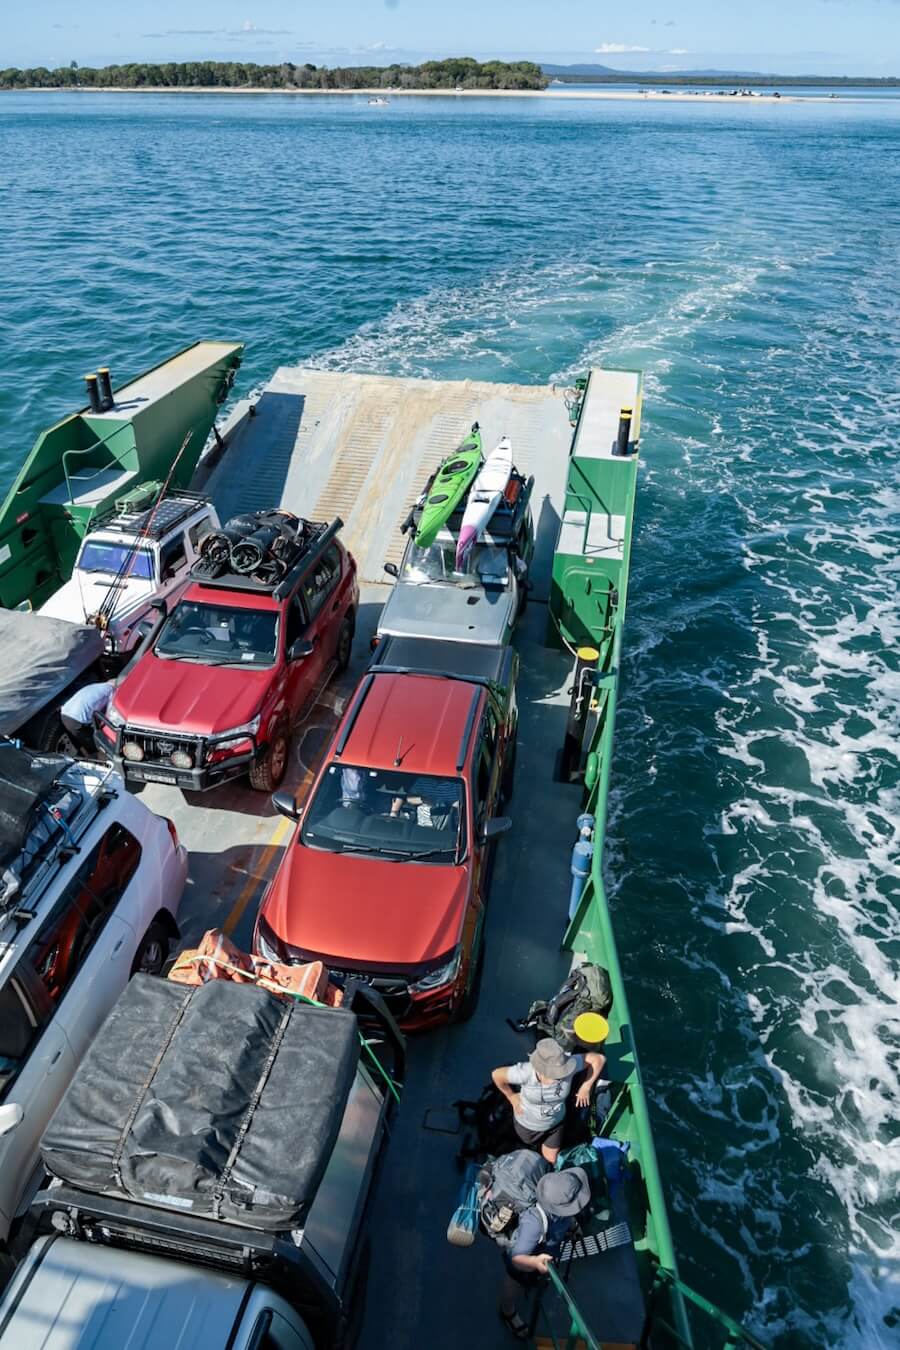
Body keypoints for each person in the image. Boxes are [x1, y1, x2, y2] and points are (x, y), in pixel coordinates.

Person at [498, 1166, 590, 1340]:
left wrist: (572, 1226)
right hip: (525, 1259)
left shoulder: (557, 1206)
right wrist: (535, 1262)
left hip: (543, 1251)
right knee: (515, 1283)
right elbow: (516, 1259)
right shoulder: (534, 1223)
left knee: (530, 1280)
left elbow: (566, 1216)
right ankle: (507, 1311)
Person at [492, 1038, 606, 1164]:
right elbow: (497, 1075)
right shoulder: (525, 1072)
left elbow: (599, 1059)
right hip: (528, 1125)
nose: (561, 1075)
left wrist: (586, 1086)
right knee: (527, 1152)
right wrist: (511, 1097)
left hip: (556, 1124)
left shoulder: (568, 1065)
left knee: (551, 1160)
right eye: (556, 1073)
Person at [59, 681, 114, 757]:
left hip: (64, 714)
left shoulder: (96, 686)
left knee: (78, 742)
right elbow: (110, 713)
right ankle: (100, 762)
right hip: (76, 719)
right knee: (96, 746)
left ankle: (86, 757)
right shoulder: (111, 690)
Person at [389, 775, 459, 830]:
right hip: (421, 827)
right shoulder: (423, 781)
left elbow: (461, 805)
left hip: (445, 828)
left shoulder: (455, 785)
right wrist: (422, 799)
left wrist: (447, 806)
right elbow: (409, 798)